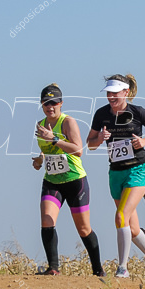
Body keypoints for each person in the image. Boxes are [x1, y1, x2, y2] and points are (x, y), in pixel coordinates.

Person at [86, 74, 145, 278]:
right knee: (133, 227)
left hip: (138, 169)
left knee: (120, 216)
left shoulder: (138, 112)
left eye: (115, 93)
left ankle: (122, 268)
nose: (111, 97)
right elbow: (90, 144)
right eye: (109, 93)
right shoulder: (102, 114)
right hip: (116, 172)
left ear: (126, 92)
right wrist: (100, 138)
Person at [32, 84, 103, 276]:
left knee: (83, 228)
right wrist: (40, 159)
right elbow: (47, 151)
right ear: (42, 105)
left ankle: (98, 270)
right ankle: (53, 268)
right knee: (47, 220)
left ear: (61, 103)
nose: (50, 107)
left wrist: (54, 138)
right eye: (46, 103)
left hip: (75, 181)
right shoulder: (40, 124)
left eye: (54, 103)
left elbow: (78, 150)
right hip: (52, 181)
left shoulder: (68, 122)